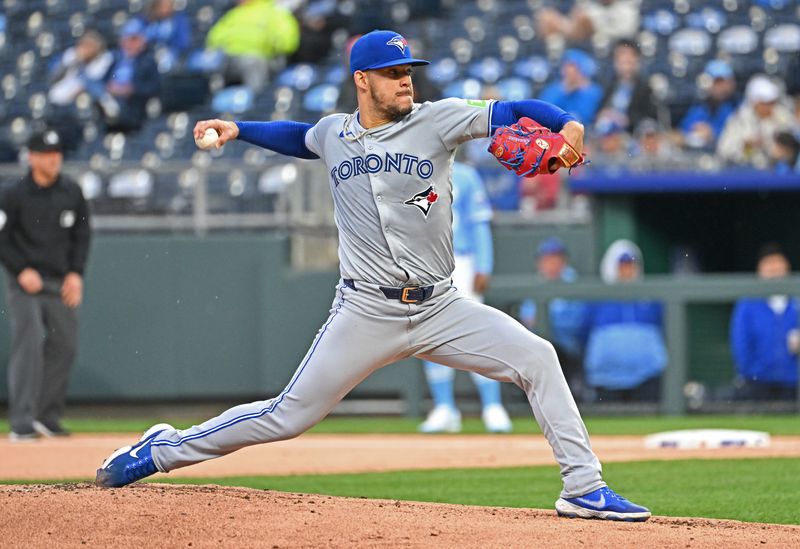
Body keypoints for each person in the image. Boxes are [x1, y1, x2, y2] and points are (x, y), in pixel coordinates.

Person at [95, 30, 651, 522]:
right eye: (392, 74)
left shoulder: (439, 118)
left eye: (408, 72)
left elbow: (511, 110)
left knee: (538, 357)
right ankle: (163, 449)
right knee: (287, 417)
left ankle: (584, 487)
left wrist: (567, 123)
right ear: (362, 80)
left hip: (440, 308)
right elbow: (299, 136)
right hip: (366, 311)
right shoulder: (335, 133)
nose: (404, 82)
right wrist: (238, 128)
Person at [0, 130, 91, 442]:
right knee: (29, 342)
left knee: (66, 345)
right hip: (24, 281)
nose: (54, 158)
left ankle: (45, 416)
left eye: (57, 152)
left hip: (59, 279)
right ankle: (22, 422)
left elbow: (82, 236)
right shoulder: (13, 193)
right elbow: (2, 237)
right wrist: (20, 268)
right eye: (47, 152)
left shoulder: (71, 191)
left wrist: (76, 273)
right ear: (32, 157)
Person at [418, 161, 512, 434]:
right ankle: (444, 406)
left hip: (462, 259)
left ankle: (492, 405)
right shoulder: (412, 172)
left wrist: (484, 264)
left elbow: (479, 223)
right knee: (428, 335)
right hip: (427, 263)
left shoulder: (466, 175)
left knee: (477, 331)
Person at [582, 240, 666, 403]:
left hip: (645, 377)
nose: (627, 270)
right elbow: (583, 334)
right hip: (605, 380)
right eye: (622, 265)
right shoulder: (596, 299)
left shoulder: (651, 299)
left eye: (631, 265)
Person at [518, 237, 587, 401]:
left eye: (556, 259)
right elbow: (526, 319)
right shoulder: (536, 285)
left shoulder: (573, 283)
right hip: (538, 351)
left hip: (567, 351)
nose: (552, 264)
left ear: (563, 261)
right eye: (547, 259)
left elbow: (577, 322)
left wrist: (549, 319)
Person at [730, 244, 799, 401]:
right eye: (769, 266)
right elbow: (741, 345)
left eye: (778, 265)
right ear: (760, 270)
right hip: (758, 384)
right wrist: (751, 374)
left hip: (794, 384)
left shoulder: (797, 301)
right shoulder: (747, 304)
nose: (774, 271)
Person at [205, 0, 300, 93]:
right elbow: (213, 38)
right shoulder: (234, 13)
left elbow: (288, 42)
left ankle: (255, 100)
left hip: (262, 59)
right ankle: (213, 102)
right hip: (230, 57)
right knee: (211, 62)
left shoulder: (274, 12)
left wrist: (271, 44)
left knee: (252, 61)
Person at [717, 74, 795, 168]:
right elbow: (724, 151)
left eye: (772, 102)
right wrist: (747, 146)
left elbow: (792, 144)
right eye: (765, 103)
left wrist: (784, 151)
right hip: (744, 174)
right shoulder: (739, 120)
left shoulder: (781, 117)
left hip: (776, 176)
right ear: (755, 103)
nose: (770, 106)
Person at [100, 19, 161, 133]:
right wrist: (110, 88)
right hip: (111, 99)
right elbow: (104, 80)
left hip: (133, 106)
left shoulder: (148, 61)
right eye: (126, 39)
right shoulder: (116, 59)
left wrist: (131, 90)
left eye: (134, 39)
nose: (129, 44)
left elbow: (155, 86)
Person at [596, 40, 658, 133]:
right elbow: (599, 110)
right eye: (622, 62)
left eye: (629, 62)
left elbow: (649, 117)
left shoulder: (645, 88)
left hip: (632, 133)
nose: (626, 67)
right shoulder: (608, 85)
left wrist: (627, 120)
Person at [680, 60, 739, 150]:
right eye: (717, 82)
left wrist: (712, 133)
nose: (720, 87)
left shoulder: (737, 106)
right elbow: (685, 129)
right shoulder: (701, 107)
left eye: (723, 82)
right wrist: (693, 130)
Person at [538, 49, 603, 126]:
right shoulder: (554, 89)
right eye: (567, 66)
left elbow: (585, 117)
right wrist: (565, 92)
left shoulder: (593, 91)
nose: (569, 72)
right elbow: (543, 112)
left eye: (574, 68)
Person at [536, 0, 640, 45]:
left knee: (582, 19)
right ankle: (541, 53)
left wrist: (595, 28)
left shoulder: (626, 9)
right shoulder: (593, 7)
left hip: (612, 44)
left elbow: (627, 32)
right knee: (547, 16)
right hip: (581, 38)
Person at [136, 0, 191, 71]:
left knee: (165, 61)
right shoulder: (147, 21)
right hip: (150, 54)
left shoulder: (179, 20)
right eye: (162, 5)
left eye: (167, 4)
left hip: (172, 54)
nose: (164, 8)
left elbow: (183, 43)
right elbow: (143, 39)